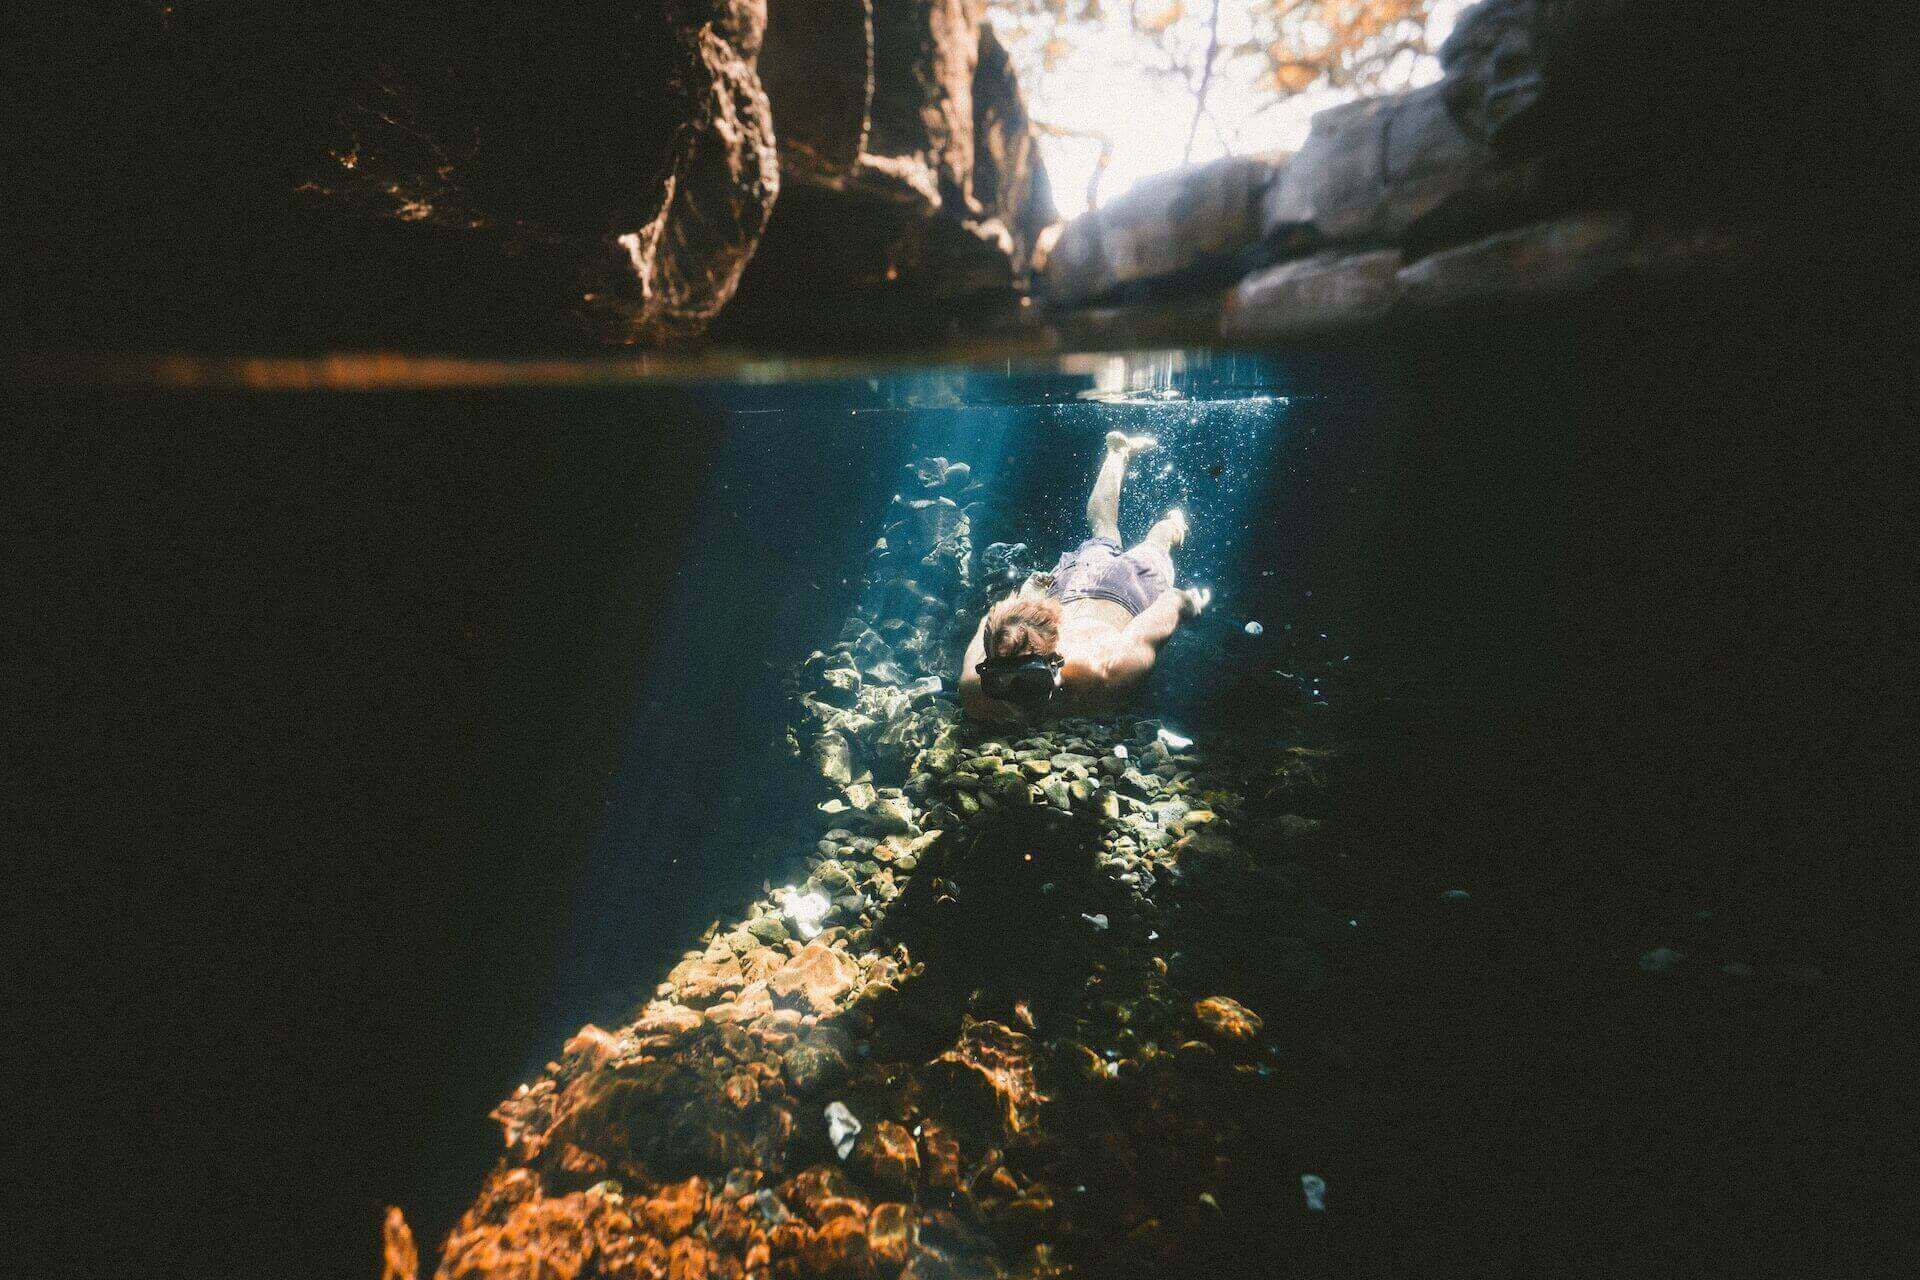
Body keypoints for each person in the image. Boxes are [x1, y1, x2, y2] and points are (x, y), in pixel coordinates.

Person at [960, 431, 1210, 723]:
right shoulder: (977, 686)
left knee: (1158, 540)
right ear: (987, 669)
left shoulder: (1109, 670)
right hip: (1072, 584)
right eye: (998, 684)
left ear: (1055, 663)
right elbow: (988, 624)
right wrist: (1028, 598)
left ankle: (1174, 521)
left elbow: (1173, 598)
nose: (1016, 701)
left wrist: (1191, 605)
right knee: (1103, 530)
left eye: (1030, 683)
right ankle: (1117, 452)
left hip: (1129, 588)